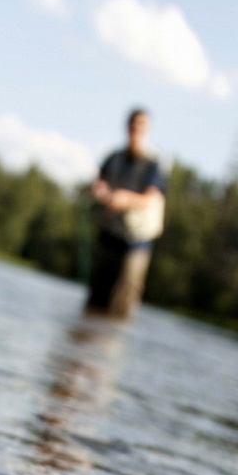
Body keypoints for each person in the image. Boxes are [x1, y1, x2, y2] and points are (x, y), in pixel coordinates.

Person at [86, 109, 167, 318]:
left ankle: (111, 349)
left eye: (141, 125)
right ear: (127, 126)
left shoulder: (154, 164)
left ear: (147, 129)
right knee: (96, 299)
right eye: (133, 124)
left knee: (122, 305)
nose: (136, 129)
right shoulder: (113, 157)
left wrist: (124, 199)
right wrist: (102, 192)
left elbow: (150, 198)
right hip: (108, 236)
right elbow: (99, 182)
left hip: (136, 243)